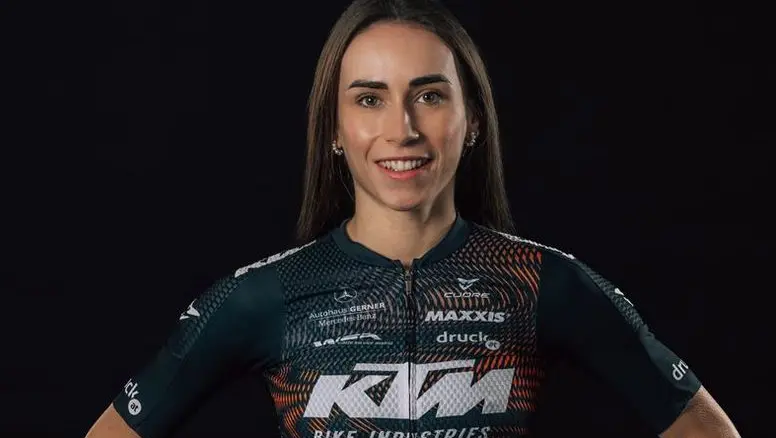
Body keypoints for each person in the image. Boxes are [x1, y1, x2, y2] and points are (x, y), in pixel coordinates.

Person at [85, 0, 741, 437]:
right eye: (369, 99)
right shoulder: (263, 297)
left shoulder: (540, 281)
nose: (401, 129)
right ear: (335, 128)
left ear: (472, 118)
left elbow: (704, 429)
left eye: (428, 95)